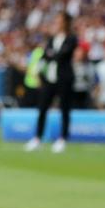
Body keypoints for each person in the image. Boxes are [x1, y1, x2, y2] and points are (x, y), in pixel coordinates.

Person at [24, 12, 78, 153]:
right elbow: (44, 56)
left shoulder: (71, 38)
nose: (57, 23)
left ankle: (62, 139)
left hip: (64, 79)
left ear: (66, 22)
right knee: (42, 108)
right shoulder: (52, 38)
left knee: (64, 109)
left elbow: (62, 55)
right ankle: (37, 138)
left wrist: (51, 54)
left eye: (59, 20)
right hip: (49, 79)